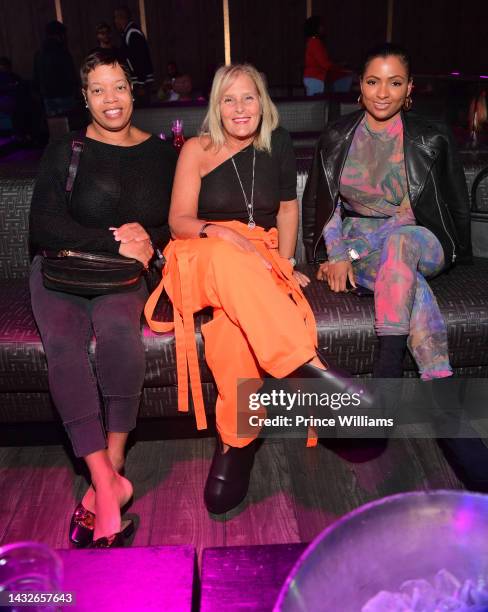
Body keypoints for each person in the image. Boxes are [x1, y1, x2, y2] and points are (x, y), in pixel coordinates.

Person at [145, 63, 363, 515]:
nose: (240, 108)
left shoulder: (277, 143)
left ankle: (237, 441)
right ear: (216, 106)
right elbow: (178, 221)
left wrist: (283, 262)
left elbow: (287, 209)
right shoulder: (198, 149)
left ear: (262, 102)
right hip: (201, 250)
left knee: (233, 329)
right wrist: (221, 234)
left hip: (257, 257)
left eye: (248, 98)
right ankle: (306, 372)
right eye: (229, 99)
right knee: (227, 259)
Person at [303, 43, 488, 489]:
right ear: (359, 87)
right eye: (372, 81)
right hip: (363, 248)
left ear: (409, 90)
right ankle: (446, 411)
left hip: (420, 238)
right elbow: (327, 208)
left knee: (401, 245)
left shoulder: (430, 137)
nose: (382, 92)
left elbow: (431, 213)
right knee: (408, 287)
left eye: (394, 82)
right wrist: (335, 254)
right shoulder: (336, 136)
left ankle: (384, 389)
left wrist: (349, 256)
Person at [29, 50, 176, 547]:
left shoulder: (160, 153)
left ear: (133, 90)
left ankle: (112, 466)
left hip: (122, 276)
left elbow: (169, 222)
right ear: (85, 99)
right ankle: (108, 490)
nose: (111, 99)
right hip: (61, 270)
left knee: (118, 336)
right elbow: (43, 225)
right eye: (98, 90)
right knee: (65, 348)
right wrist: (116, 241)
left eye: (119, 87)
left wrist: (147, 239)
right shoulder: (64, 148)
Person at [33, 21, 78, 117]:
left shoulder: (39, 54)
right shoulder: (62, 52)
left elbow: (36, 77)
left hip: (48, 96)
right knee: (70, 125)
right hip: (65, 95)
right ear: (60, 35)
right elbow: (70, 74)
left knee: (55, 127)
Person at [114, 6, 154, 104]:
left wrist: (141, 84)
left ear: (121, 18)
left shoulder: (133, 33)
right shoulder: (127, 33)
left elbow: (140, 59)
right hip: (138, 81)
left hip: (140, 83)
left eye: (116, 18)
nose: (115, 21)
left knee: (143, 114)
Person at [303, 16, 332, 96]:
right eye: (321, 26)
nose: (323, 28)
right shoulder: (315, 43)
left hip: (313, 78)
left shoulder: (312, 42)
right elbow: (324, 63)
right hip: (315, 78)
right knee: (316, 104)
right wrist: (336, 68)